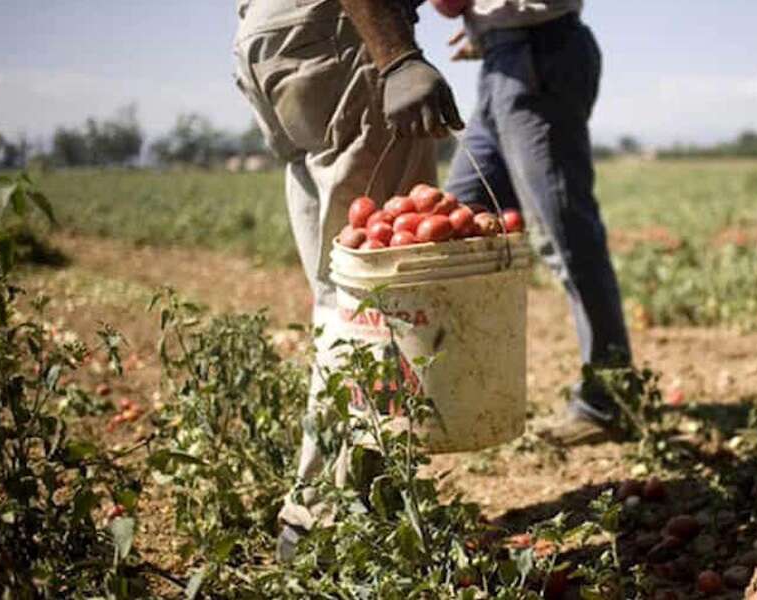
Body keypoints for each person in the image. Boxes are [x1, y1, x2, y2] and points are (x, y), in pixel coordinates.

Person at [232, 0, 462, 562]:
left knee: (343, 290)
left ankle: (342, 510)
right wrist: (397, 55)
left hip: (273, 39)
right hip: (341, 34)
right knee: (378, 295)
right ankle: (328, 519)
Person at [440, 0, 634, 445]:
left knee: (565, 235)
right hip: (503, 59)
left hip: (537, 55)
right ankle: (459, 392)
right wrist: (488, 28)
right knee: (457, 222)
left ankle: (608, 400)